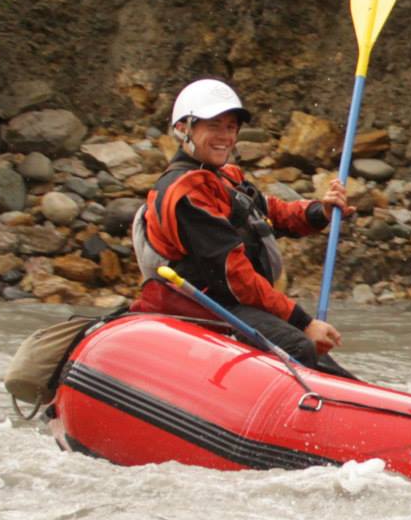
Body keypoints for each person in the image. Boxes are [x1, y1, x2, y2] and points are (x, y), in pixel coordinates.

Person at [132, 78, 354, 374]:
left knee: (317, 356)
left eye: (231, 127)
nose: (225, 136)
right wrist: (304, 322)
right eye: (214, 126)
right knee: (300, 346)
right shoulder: (185, 194)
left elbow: (271, 212)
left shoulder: (225, 177)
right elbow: (235, 277)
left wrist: (319, 211)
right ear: (184, 129)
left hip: (237, 303)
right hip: (211, 307)